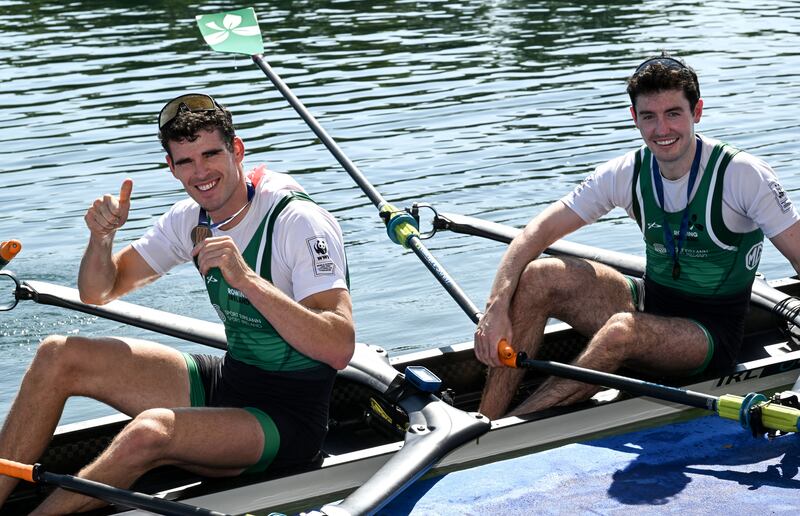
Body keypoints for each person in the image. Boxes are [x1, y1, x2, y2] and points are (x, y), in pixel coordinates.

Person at [0, 93, 355, 513]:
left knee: (148, 431)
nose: (200, 172)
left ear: (236, 150)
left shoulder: (297, 223)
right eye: (185, 162)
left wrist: (247, 280)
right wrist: (102, 237)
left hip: (288, 419)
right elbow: (98, 291)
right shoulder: (190, 217)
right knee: (58, 355)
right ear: (171, 167)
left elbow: (339, 346)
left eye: (210, 154)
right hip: (234, 381)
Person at [474, 53, 800, 420]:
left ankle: (506, 432)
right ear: (635, 118)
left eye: (673, 113)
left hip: (709, 334)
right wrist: (496, 306)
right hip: (649, 300)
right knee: (538, 276)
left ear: (697, 112)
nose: (662, 130)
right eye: (649, 116)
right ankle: (482, 420)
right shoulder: (626, 172)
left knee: (621, 331)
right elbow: (536, 232)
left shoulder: (742, 175)